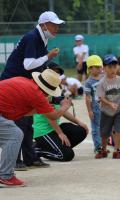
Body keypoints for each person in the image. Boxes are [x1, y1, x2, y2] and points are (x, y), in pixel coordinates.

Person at [0, 11, 65, 171]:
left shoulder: (41, 38)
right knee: (19, 123)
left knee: (28, 123)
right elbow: (28, 65)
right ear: (43, 25)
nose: (57, 27)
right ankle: (15, 161)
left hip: (22, 83)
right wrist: (48, 56)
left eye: (57, 25)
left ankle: (30, 158)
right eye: (53, 24)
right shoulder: (32, 37)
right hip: (13, 84)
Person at [0, 69, 72, 187]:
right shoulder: (36, 94)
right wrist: (65, 106)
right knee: (15, 135)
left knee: (11, 133)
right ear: (47, 90)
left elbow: (24, 111)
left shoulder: (25, 82)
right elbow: (53, 116)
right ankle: (5, 176)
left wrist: (44, 107)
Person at [33, 97, 88, 161]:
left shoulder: (54, 94)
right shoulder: (44, 96)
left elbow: (62, 111)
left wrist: (79, 122)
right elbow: (51, 117)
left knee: (81, 130)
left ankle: (60, 148)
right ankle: (35, 150)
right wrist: (60, 133)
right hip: (43, 132)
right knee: (67, 155)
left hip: (54, 128)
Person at [95, 55, 120, 159]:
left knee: (119, 130)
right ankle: (104, 150)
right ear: (104, 68)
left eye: (114, 67)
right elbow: (101, 97)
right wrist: (110, 104)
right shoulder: (102, 83)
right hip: (106, 112)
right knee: (105, 133)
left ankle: (117, 150)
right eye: (109, 67)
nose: (113, 69)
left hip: (119, 110)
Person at [84, 55, 104, 153]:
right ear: (90, 69)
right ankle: (97, 147)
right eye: (97, 67)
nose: (100, 69)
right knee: (96, 128)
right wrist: (90, 110)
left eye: (100, 66)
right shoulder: (88, 82)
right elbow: (88, 97)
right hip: (96, 109)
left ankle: (104, 146)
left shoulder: (104, 77)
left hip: (106, 108)